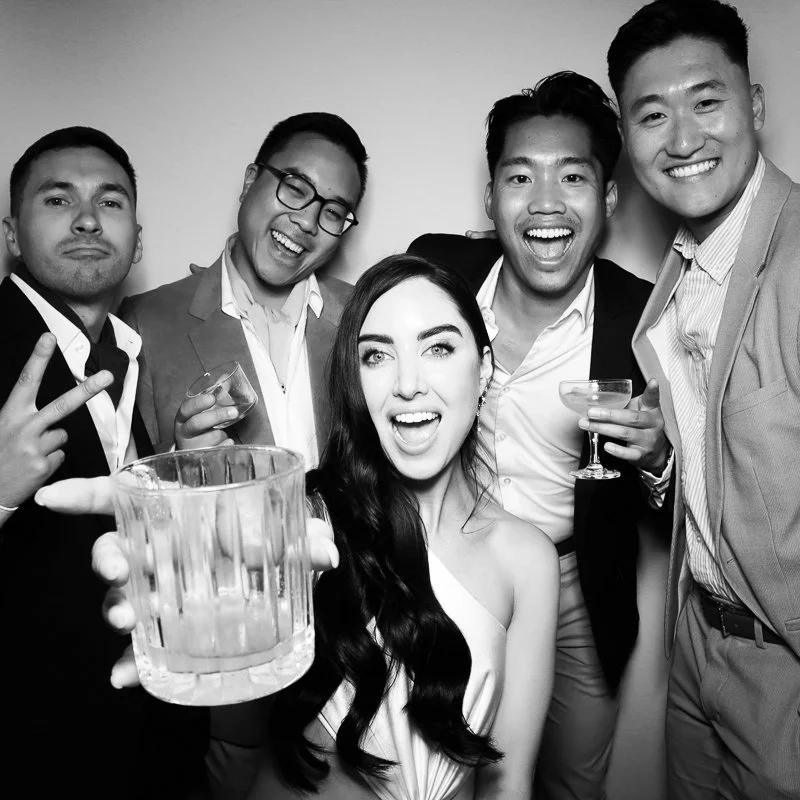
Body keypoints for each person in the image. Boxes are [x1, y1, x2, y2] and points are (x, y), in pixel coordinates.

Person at [42, 254, 561, 800]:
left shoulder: (528, 559)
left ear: (482, 369)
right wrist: (177, 573)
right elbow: (232, 578)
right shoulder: (308, 520)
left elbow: (509, 782)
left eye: (437, 348)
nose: (408, 384)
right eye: (377, 356)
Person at [409, 72, 667, 800]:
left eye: (573, 177)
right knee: (438, 769)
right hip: (453, 564)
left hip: (576, 585)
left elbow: (681, 496)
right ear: (491, 198)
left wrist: (657, 458)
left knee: (571, 780)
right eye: (520, 176)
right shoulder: (435, 273)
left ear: (608, 199)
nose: (546, 202)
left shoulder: (644, 318)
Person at [606, 1, 800, 797]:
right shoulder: (676, 278)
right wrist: (659, 458)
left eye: (706, 102)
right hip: (698, 645)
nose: (682, 141)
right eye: (653, 116)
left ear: (753, 105)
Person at [0, 127, 207, 797]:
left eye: (109, 202)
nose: (87, 218)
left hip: (146, 740)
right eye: (58, 200)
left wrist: (176, 473)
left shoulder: (127, 352)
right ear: (10, 234)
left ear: (137, 240)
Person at [118, 112, 367, 460]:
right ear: (250, 181)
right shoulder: (143, 323)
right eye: (295, 189)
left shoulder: (366, 316)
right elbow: (128, 484)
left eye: (333, 213)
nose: (307, 221)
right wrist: (184, 463)